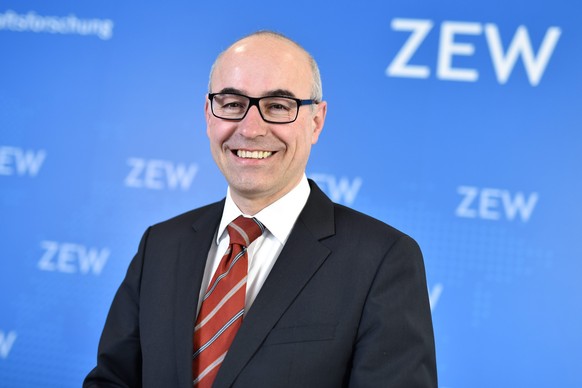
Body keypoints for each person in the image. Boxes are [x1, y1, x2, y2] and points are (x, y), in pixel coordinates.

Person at [84, 31, 437, 387]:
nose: (251, 129)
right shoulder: (160, 244)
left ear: (316, 121)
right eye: (233, 104)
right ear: (209, 115)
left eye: (278, 106)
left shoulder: (383, 260)